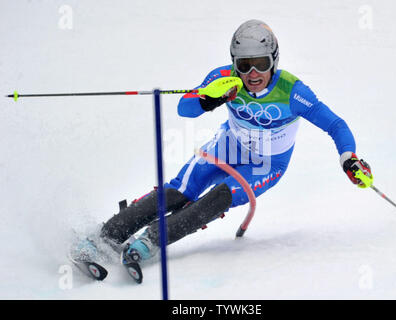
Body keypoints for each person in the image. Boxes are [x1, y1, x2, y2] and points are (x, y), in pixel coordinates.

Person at [72, 19, 373, 267]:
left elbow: (335, 124)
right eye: (244, 65)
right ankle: (105, 236)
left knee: (220, 197)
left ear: (274, 61)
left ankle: (150, 240)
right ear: (234, 63)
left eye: (261, 64)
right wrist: (209, 99)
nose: (253, 74)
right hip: (228, 146)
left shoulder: (292, 91)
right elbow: (184, 108)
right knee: (181, 189)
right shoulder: (224, 78)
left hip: (268, 164)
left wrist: (349, 157)